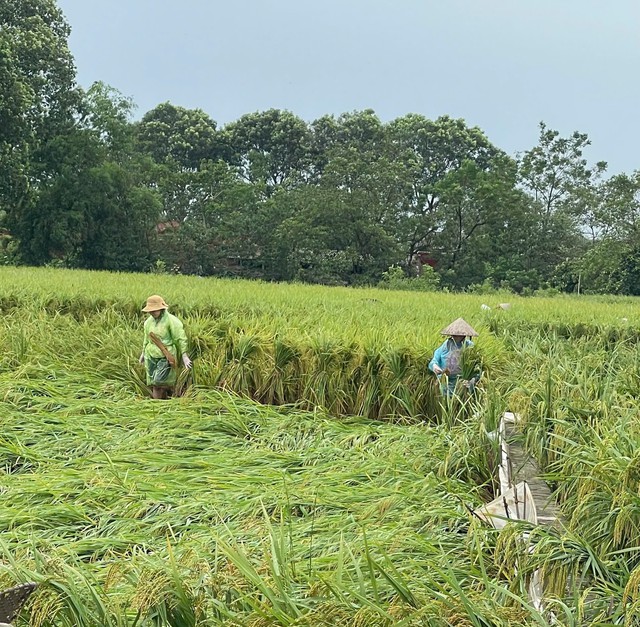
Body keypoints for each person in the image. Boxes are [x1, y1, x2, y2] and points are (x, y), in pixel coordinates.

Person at [139, 295, 192, 399]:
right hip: (151, 355)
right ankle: (159, 405)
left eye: (154, 311)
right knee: (154, 383)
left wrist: (184, 356)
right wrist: (143, 353)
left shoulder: (172, 321)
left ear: (161, 308)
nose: (152, 313)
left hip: (165, 355)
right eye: (150, 311)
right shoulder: (148, 323)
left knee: (158, 381)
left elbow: (180, 338)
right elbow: (146, 339)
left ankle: (164, 399)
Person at [428, 317, 478, 397]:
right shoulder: (446, 345)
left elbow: (477, 367)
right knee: (445, 402)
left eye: (459, 335)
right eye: (454, 335)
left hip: (462, 384)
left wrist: (472, 380)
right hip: (446, 383)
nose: (456, 336)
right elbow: (434, 360)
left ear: (464, 335)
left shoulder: (470, 347)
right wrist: (435, 366)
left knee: (461, 403)